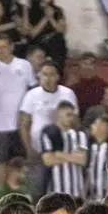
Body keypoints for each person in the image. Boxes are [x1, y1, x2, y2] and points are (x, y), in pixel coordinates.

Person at [0, 33, 34, 190]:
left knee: (21, 163)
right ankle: (1, 199)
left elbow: (32, 93)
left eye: (3, 47)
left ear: (11, 46)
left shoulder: (24, 66)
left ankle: (23, 197)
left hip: (20, 126)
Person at [18, 58, 78, 194]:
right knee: (38, 189)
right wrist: (29, 149)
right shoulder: (31, 95)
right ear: (39, 75)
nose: (47, 78)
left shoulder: (67, 94)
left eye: (51, 74)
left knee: (61, 188)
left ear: (57, 76)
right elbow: (24, 125)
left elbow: (75, 121)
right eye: (44, 74)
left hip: (62, 151)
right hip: (38, 150)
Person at [41, 101, 88, 198]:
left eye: (73, 115)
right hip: (56, 191)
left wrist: (59, 154)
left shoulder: (80, 135)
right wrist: (73, 156)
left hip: (76, 191)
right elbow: (48, 161)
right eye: (68, 115)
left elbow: (83, 160)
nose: (71, 118)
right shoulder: (48, 133)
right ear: (59, 115)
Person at [27, 0, 67, 71]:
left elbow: (62, 31)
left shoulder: (58, 10)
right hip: (38, 43)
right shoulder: (30, 11)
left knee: (58, 40)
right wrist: (45, 18)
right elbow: (32, 34)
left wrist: (51, 18)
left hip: (56, 44)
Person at [87, 115, 108, 202]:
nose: (91, 126)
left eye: (95, 124)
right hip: (92, 199)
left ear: (105, 127)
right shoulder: (91, 147)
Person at [70, 53, 106, 119]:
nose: (88, 67)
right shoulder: (73, 87)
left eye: (91, 64)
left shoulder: (102, 85)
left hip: (97, 120)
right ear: (80, 66)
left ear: (95, 67)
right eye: (85, 64)